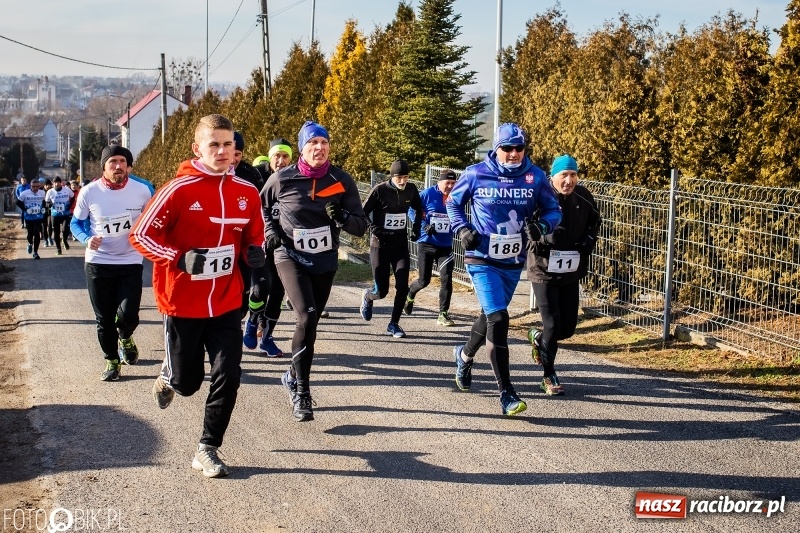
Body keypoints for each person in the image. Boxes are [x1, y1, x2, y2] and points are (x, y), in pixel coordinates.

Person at [129, 114, 266, 478]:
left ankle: (207, 448)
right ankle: (168, 376)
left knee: (229, 374)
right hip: (183, 303)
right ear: (198, 149)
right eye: (214, 145)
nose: (223, 151)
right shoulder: (177, 190)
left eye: (228, 145)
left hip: (225, 302)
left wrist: (255, 252)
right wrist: (178, 257)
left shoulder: (247, 192)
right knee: (187, 384)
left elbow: (256, 235)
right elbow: (139, 236)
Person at [446, 122, 562, 416]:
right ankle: (506, 393)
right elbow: (454, 204)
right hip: (481, 257)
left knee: (490, 315)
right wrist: (462, 229)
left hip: (512, 261)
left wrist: (542, 226)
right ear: (496, 149)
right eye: (506, 148)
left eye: (518, 148)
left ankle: (464, 354)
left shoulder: (534, 177)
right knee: (499, 316)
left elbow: (554, 210)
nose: (513, 154)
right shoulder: (475, 173)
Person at [263, 121, 368, 422]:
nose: (319, 148)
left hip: (324, 261)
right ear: (302, 149)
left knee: (311, 324)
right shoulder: (282, 179)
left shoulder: (340, 180)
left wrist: (344, 217)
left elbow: (361, 226)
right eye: (312, 144)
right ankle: (302, 393)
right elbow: (260, 208)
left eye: (324, 142)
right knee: (306, 316)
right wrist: (270, 232)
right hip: (290, 256)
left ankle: (291, 374)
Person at [70, 145, 154, 380]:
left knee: (129, 315)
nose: (118, 166)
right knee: (104, 318)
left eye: (122, 161)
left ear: (128, 165)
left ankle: (125, 337)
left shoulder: (143, 190)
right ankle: (111, 361)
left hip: (130, 260)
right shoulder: (89, 192)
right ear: (104, 167)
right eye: (112, 162)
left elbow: (151, 221)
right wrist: (87, 239)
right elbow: (75, 224)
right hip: (99, 261)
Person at [527, 154, 601, 395]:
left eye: (573, 175)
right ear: (553, 177)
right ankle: (548, 375)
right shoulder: (540, 198)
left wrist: (589, 241)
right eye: (564, 175)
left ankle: (538, 338)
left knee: (567, 329)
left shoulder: (584, 197)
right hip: (543, 270)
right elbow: (525, 228)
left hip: (570, 271)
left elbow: (595, 222)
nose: (569, 180)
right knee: (552, 324)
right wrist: (542, 239)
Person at [360, 160, 423, 338]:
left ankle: (394, 324)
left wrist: (417, 228)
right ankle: (368, 297)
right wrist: (374, 229)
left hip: (400, 244)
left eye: (405, 177)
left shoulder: (411, 189)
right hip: (379, 245)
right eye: (399, 178)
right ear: (392, 177)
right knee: (382, 291)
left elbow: (419, 209)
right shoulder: (380, 190)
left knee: (402, 285)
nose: (402, 181)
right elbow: (362, 212)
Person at [243, 138, 294, 356]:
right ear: (269, 156)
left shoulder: (294, 177)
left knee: (278, 293)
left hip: (284, 246)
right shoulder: (257, 176)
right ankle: (253, 320)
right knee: (260, 289)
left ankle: (267, 337)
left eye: (285, 157)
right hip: (260, 244)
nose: (281, 161)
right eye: (277, 156)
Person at [404, 168, 458, 326]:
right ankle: (410, 294)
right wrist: (424, 225)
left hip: (445, 246)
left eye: (453, 183)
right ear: (439, 182)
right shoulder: (427, 194)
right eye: (447, 183)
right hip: (426, 243)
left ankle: (443, 314)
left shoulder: (456, 196)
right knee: (423, 281)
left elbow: (459, 214)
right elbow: (412, 210)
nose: (450, 186)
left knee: (447, 279)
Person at [16, 179, 45, 259]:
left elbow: (44, 202)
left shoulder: (42, 193)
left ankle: (35, 252)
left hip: (38, 216)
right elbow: (18, 202)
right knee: (30, 234)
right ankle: (30, 243)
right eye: (33, 186)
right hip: (28, 217)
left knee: (36, 233)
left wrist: (44, 208)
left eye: (37, 187)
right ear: (30, 186)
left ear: (39, 186)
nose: (35, 188)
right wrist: (25, 209)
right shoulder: (25, 193)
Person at [45, 177, 74, 255]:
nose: (56, 184)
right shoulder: (50, 192)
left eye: (58, 182)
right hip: (55, 215)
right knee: (56, 233)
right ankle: (58, 249)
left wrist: (70, 205)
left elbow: (73, 196)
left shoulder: (67, 189)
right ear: (52, 183)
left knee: (65, 229)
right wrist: (50, 205)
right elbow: (46, 203)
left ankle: (64, 240)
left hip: (65, 214)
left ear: (61, 183)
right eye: (55, 182)